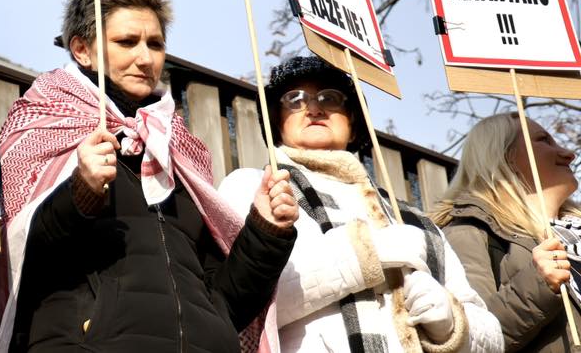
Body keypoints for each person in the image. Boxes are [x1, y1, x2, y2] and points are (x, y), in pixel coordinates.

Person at [0, 0, 298, 353]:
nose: (146, 58)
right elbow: (12, 255)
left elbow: (224, 302)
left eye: (156, 44)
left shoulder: (180, 153)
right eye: (127, 42)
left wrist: (265, 232)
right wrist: (80, 192)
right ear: (82, 49)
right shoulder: (40, 126)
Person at [219, 55, 501, 353]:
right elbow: (241, 302)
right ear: (277, 122)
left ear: (354, 126)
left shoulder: (414, 220)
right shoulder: (254, 187)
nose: (314, 108)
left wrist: (452, 323)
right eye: (295, 99)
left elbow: (493, 338)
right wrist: (365, 253)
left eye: (331, 98)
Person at [433, 111, 580, 352]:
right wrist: (538, 284)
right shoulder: (469, 234)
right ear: (504, 155)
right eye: (544, 140)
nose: (569, 154)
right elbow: (468, 341)